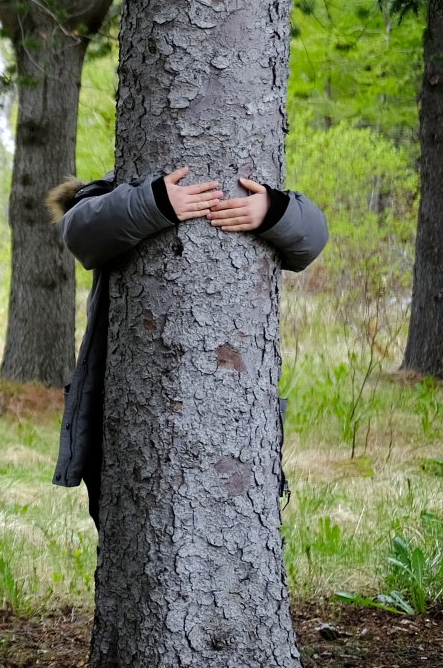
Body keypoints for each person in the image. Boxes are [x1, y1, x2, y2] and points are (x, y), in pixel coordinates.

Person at [50, 168, 329, 524]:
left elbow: (314, 237)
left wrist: (273, 211)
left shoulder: (253, 178)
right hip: (130, 405)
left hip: (235, 409)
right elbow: (79, 231)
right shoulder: (116, 188)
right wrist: (154, 202)